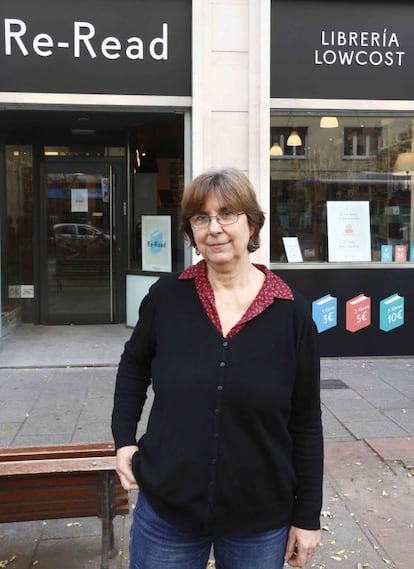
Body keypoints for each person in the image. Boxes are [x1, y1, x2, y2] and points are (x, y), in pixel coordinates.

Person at [112, 167, 323, 569]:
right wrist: (123, 438)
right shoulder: (167, 297)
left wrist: (307, 516)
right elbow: (134, 366)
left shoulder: (290, 311)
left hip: (259, 518)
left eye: (228, 214)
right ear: (190, 231)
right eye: (201, 217)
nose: (215, 228)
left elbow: (306, 420)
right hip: (168, 511)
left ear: (253, 223)